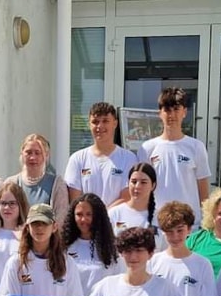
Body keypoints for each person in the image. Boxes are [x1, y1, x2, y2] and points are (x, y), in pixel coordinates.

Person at [137, 87, 211, 227]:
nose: (172, 114)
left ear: (184, 112)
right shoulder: (147, 148)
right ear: (160, 113)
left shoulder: (196, 147)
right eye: (167, 110)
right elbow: (141, 189)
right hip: (157, 225)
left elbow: (203, 190)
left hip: (190, 227)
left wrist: (206, 223)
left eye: (176, 109)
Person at [63, 102, 137, 206]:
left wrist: (104, 217)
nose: (100, 126)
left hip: (117, 221)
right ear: (89, 124)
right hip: (87, 221)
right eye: (95, 122)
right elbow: (75, 199)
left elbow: (127, 196)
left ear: (115, 124)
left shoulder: (129, 158)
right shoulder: (77, 159)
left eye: (105, 121)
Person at [149, 201, 216, 296]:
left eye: (180, 230)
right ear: (163, 232)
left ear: (189, 229)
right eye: (169, 232)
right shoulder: (152, 262)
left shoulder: (203, 264)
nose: (175, 236)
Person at [61, 192, 122, 291]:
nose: (83, 219)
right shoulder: (63, 247)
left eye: (89, 214)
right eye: (79, 214)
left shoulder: (112, 249)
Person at [5, 134, 69, 223]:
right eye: (28, 152)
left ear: (46, 155)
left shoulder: (56, 183)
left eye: (37, 153)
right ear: (22, 154)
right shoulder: (11, 183)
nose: (33, 157)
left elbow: (60, 219)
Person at [108, 162, 161, 248]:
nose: (137, 186)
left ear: (153, 185)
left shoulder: (160, 217)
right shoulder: (114, 214)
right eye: (134, 182)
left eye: (143, 182)